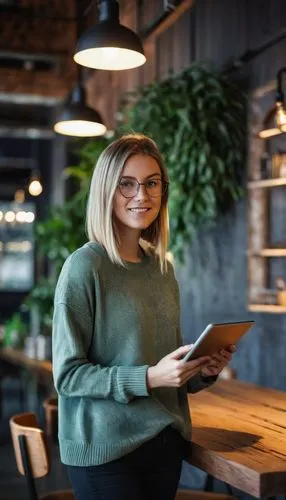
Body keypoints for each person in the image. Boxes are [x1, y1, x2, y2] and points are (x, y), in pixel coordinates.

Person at [52, 134, 235, 500]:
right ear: (107, 190)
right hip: (106, 452)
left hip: (164, 445)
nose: (142, 195)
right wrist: (150, 377)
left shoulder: (162, 270)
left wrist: (203, 370)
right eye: (127, 184)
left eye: (152, 183)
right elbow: (68, 376)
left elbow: (169, 373)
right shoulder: (84, 267)